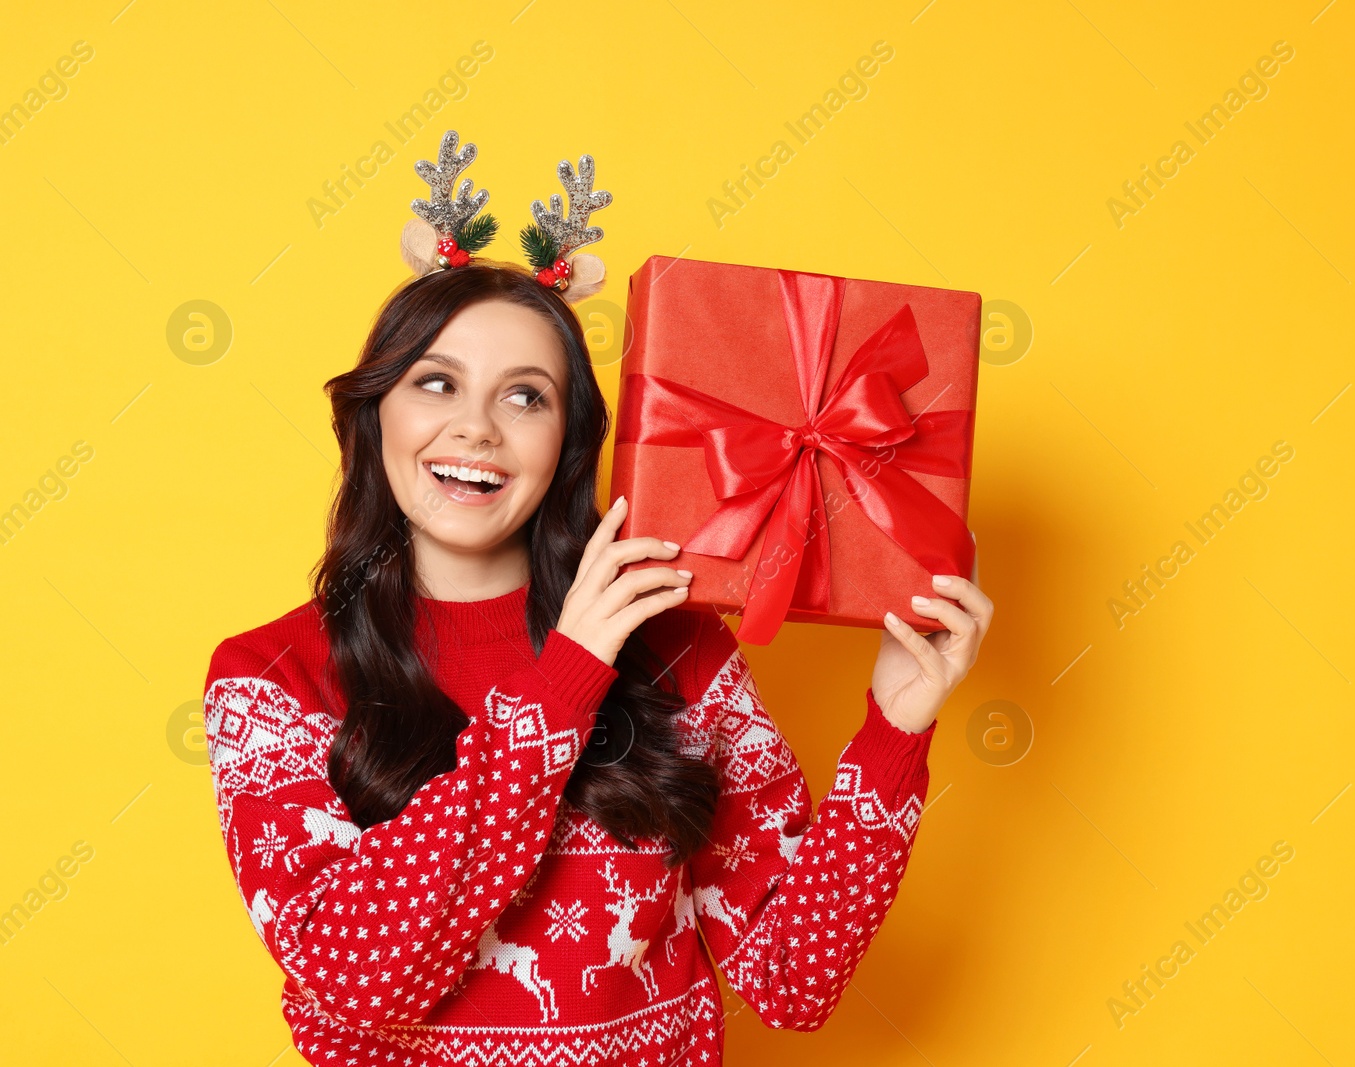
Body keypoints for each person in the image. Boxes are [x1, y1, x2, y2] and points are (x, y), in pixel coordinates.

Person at [201, 137, 992, 1066]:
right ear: (378, 413)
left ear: (570, 441)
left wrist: (895, 729)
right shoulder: (267, 680)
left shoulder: (679, 648)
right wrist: (565, 681)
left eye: (526, 397)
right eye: (437, 382)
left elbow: (791, 979)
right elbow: (355, 982)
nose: (477, 427)